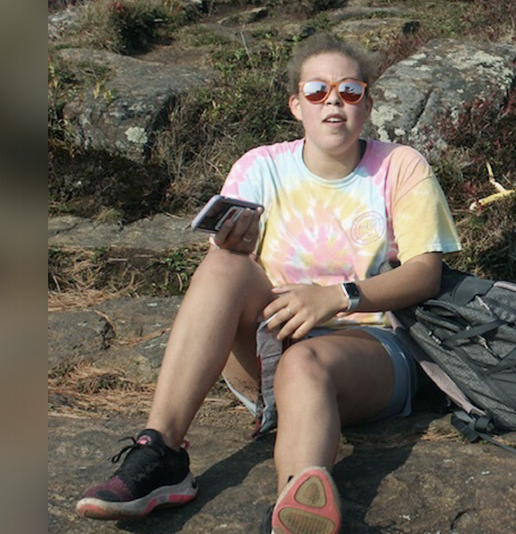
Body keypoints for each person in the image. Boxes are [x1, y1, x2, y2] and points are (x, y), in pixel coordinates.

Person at [75, 33, 461, 534]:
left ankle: (297, 504)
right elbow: (228, 282)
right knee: (221, 266)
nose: (334, 104)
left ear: (367, 102)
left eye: (349, 91)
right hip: (265, 349)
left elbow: (425, 274)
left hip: (371, 347)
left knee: (307, 360)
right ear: (296, 105)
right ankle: (162, 452)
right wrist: (235, 247)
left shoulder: (399, 166)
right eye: (318, 92)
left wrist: (336, 297)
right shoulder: (260, 167)